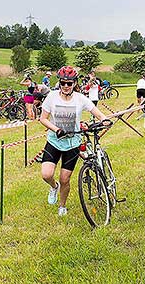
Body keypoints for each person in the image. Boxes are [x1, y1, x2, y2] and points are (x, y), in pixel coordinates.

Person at [40, 66, 111, 216]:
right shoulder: (51, 97)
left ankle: (62, 206)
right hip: (54, 141)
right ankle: (54, 187)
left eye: (69, 83)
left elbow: (96, 112)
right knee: (46, 174)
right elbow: (43, 119)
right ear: (59, 83)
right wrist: (56, 129)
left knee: (65, 179)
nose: (66, 86)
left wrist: (104, 119)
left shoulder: (80, 99)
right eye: (63, 83)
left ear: (74, 83)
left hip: (72, 143)